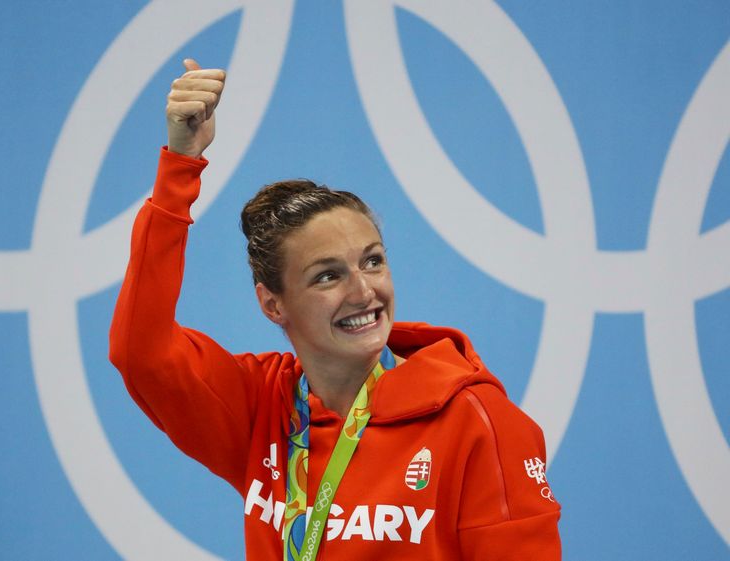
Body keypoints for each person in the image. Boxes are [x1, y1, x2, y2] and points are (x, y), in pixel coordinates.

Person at [109, 59, 562, 560]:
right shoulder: (262, 408)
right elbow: (139, 350)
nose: (362, 291)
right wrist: (180, 164)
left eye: (372, 262)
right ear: (272, 304)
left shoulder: (478, 422)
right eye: (327, 275)